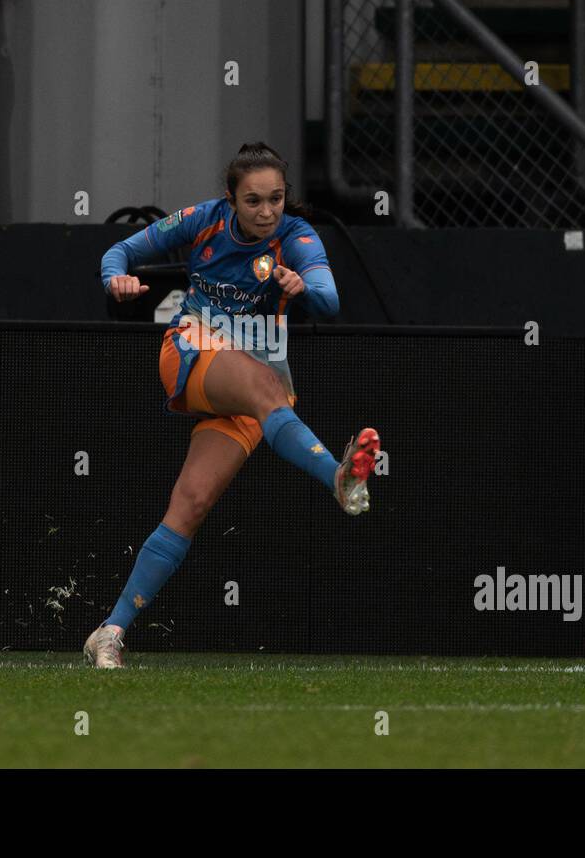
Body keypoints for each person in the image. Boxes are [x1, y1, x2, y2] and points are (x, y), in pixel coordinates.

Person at [85, 142, 381, 668]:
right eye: (253, 201)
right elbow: (118, 253)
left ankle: (109, 632)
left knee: (191, 505)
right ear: (231, 199)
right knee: (269, 386)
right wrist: (118, 280)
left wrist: (301, 283)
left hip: (248, 396)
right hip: (192, 351)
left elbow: (330, 299)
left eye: (276, 199)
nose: (267, 212)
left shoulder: (298, 236)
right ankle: (336, 478)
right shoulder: (203, 219)